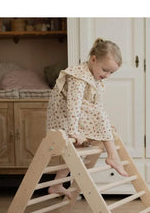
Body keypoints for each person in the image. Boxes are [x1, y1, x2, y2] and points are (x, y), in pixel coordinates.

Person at [46, 38, 128, 198]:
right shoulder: (79, 76)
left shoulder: (96, 78)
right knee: (98, 117)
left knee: (75, 151)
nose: (107, 75)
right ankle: (113, 157)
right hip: (64, 115)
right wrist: (73, 130)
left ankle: (56, 185)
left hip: (76, 116)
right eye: (105, 70)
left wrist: (106, 128)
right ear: (93, 59)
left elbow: (96, 105)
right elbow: (74, 104)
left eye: (111, 73)